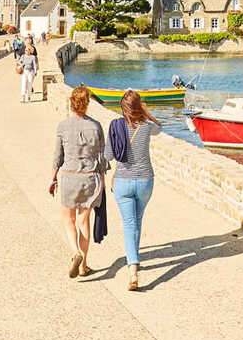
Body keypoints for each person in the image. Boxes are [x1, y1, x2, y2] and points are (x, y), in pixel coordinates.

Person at [50, 84, 107, 278]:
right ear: (86, 104)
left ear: (71, 103)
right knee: (84, 221)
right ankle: (83, 266)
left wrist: (52, 178)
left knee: (68, 219)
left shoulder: (63, 126)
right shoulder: (96, 126)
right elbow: (102, 157)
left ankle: (75, 252)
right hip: (90, 178)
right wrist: (102, 178)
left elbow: (58, 156)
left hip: (69, 177)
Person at [109, 89, 161, 290]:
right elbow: (161, 127)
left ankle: (133, 270)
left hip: (123, 180)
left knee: (130, 224)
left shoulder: (116, 126)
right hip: (145, 180)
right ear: (139, 107)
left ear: (122, 107)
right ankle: (134, 259)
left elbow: (109, 155)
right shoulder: (147, 128)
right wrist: (146, 113)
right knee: (136, 222)